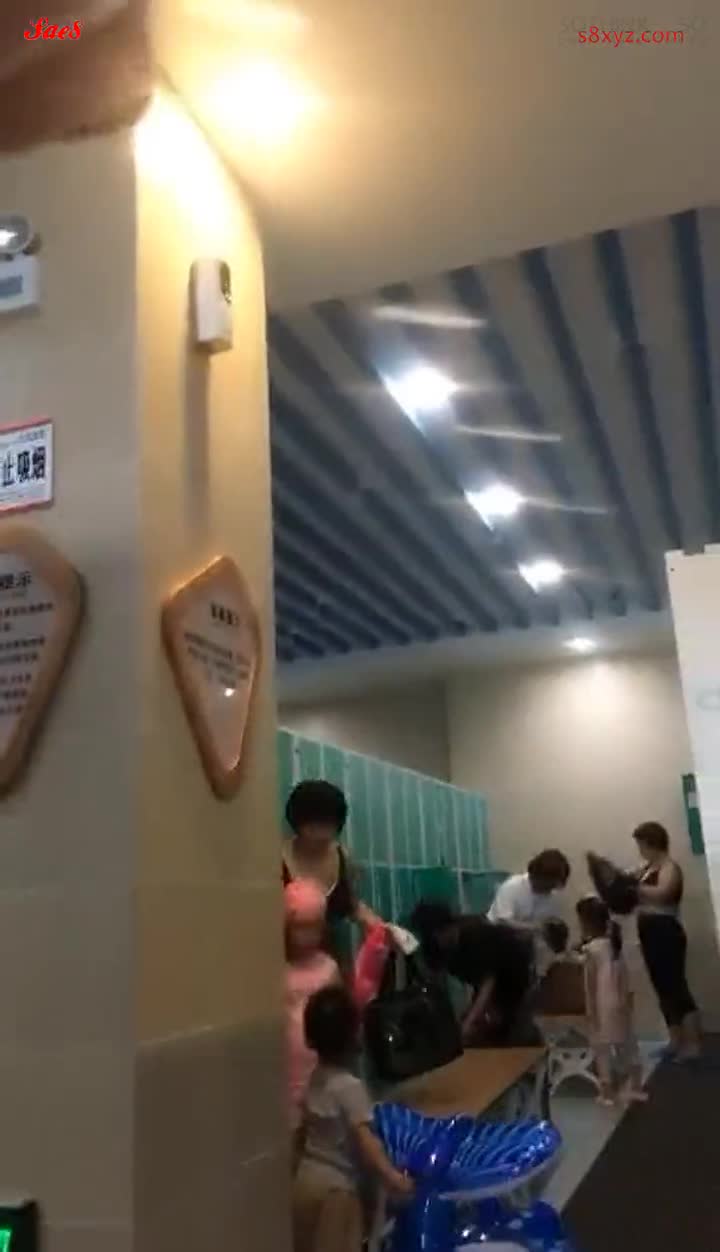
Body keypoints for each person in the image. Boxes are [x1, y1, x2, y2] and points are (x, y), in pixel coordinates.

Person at [293, 985, 414, 1252]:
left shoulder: (316, 1078)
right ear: (352, 1035)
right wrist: (393, 1177)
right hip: (336, 1190)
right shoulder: (350, 1087)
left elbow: (303, 1130)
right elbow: (366, 1141)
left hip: (305, 1181)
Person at [410, 899, 539, 1046]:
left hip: (515, 977)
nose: (439, 940)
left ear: (450, 926)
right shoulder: (433, 946)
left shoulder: (476, 936)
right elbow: (433, 981)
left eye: (441, 933)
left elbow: (488, 984)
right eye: (434, 937)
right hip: (484, 983)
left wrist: (470, 1022)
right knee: (473, 1029)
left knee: (512, 1035)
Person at [282, 781, 382, 950]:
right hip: (280, 957)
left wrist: (375, 924)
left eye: (329, 825)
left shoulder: (343, 857)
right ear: (298, 822)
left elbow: (352, 905)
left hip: (328, 957)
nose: (323, 834)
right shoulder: (277, 860)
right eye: (314, 826)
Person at [633, 821, 701, 1062]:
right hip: (649, 932)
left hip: (666, 932)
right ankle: (675, 1041)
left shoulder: (670, 867)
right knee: (662, 989)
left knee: (676, 987)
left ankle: (692, 1043)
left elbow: (663, 893)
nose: (639, 850)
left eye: (641, 844)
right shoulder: (645, 868)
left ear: (652, 843)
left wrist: (635, 888)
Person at [576, 895, 647, 1107]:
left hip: (602, 1004)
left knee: (602, 1049)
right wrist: (628, 999)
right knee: (629, 1044)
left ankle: (607, 1094)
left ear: (585, 923)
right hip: (621, 1001)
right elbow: (625, 976)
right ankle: (637, 1087)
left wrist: (590, 1011)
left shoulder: (591, 950)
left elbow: (590, 983)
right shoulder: (616, 945)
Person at [285, 879, 340, 1134]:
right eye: (300, 928)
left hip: (321, 1060)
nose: (307, 936)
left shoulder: (328, 967)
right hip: (288, 1064)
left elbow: (340, 1012)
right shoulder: (278, 968)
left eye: (314, 928)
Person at [487, 849, 571, 929]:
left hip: (529, 936)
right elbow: (503, 922)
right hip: (498, 933)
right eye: (550, 884)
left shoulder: (552, 895)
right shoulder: (512, 886)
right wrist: (533, 928)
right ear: (538, 876)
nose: (552, 889)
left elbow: (547, 922)